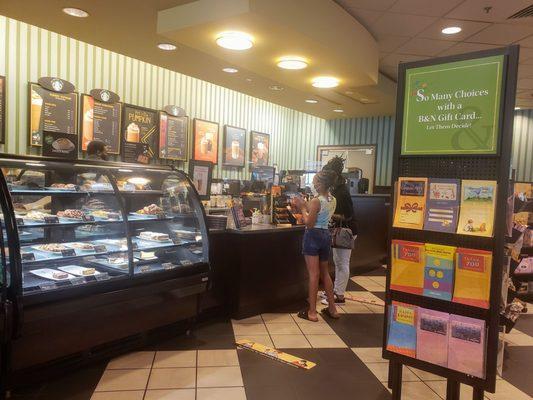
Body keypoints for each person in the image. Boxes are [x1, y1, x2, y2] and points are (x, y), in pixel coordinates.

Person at [293, 170, 339, 322]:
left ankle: (312, 312)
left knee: (313, 274)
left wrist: (302, 208)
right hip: (326, 236)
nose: (312, 184)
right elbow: (318, 211)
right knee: (325, 273)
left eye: (314, 182)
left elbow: (309, 223)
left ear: (320, 184)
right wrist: (305, 205)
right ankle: (332, 308)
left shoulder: (316, 201)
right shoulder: (332, 199)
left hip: (313, 236)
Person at [321, 156, 355, 305]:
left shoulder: (342, 192)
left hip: (346, 231)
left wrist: (328, 213)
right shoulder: (336, 189)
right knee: (338, 261)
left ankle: (339, 296)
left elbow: (347, 215)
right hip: (338, 231)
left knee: (342, 263)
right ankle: (334, 291)